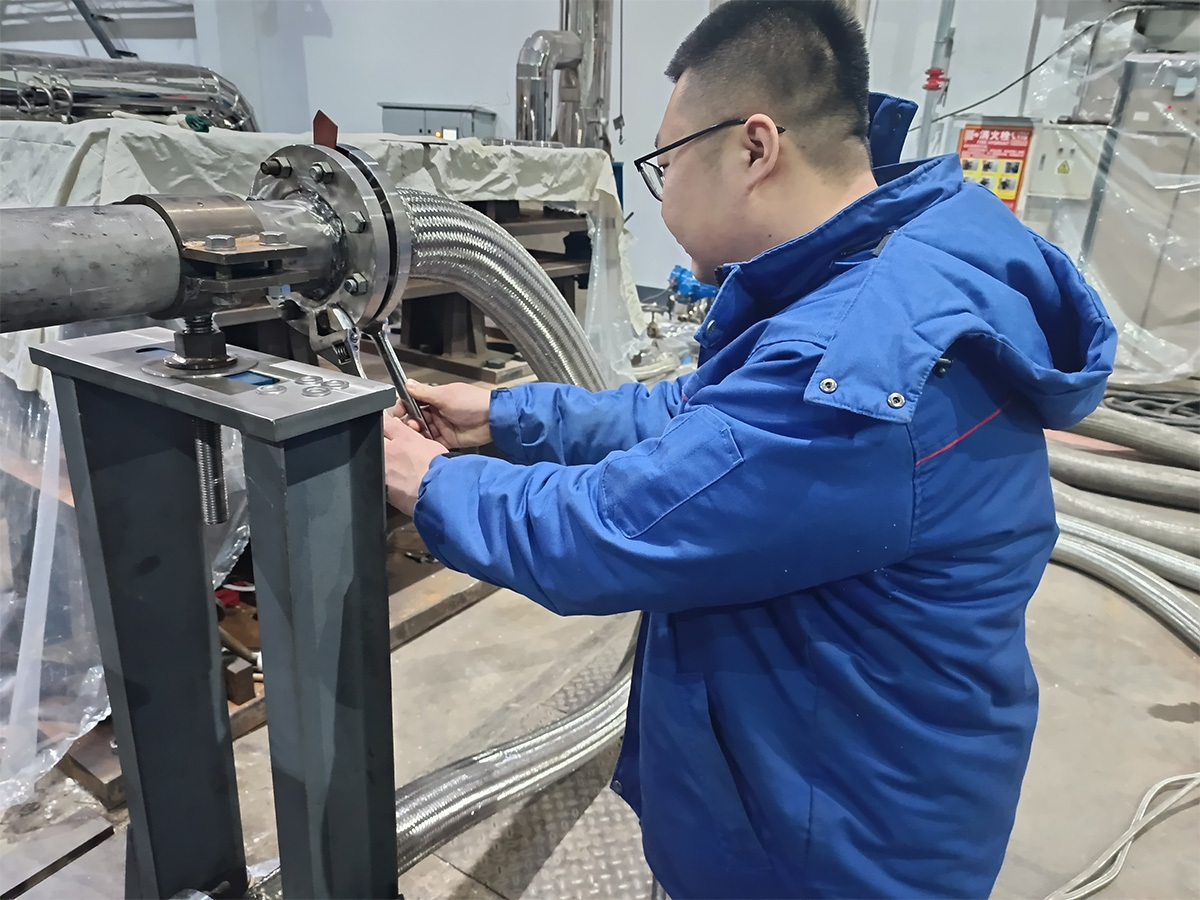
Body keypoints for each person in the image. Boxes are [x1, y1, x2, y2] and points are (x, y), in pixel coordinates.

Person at [381, 1, 1116, 897]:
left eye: (664, 164)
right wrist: (507, 415)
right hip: (848, 784)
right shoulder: (883, 269)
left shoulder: (854, 362)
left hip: (834, 852)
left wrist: (428, 480)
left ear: (754, 147)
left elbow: (614, 529)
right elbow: (697, 418)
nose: (661, 195)